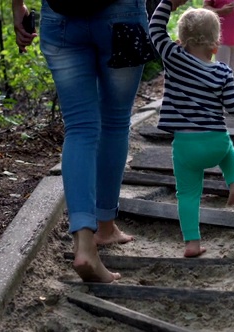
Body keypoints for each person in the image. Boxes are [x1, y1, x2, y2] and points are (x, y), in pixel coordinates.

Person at [12, 0, 155, 283]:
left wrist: (18, 7)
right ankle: (105, 226)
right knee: (115, 122)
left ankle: (84, 242)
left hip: (61, 16)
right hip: (123, 14)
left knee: (79, 128)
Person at [149, 0, 234, 258]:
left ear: (181, 41)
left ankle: (192, 243)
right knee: (227, 144)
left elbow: (156, 30)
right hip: (215, 143)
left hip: (185, 147)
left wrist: (166, 3)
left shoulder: (173, 57)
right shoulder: (223, 73)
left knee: (188, 194)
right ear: (216, 46)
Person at [203, 0, 234, 71]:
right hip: (221, 36)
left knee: (231, 72)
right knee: (222, 70)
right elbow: (205, 8)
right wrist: (220, 10)